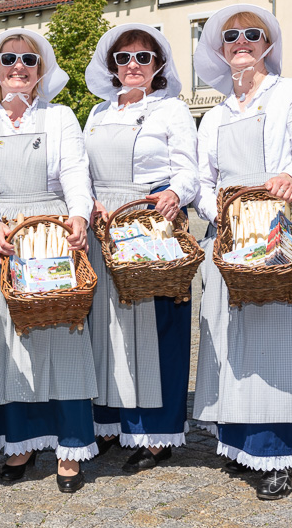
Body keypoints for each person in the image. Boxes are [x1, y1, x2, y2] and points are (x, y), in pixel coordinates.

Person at [191, 4, 292, 500]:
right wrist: (225, 215)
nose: (242, 42)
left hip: (284, 225)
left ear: (268, 43)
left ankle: (274, 451)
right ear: (220, 49)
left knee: (275, 336)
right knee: (229, 335)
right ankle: (238, 438)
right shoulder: (215, 115)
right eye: (231, 36)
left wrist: (289, 176)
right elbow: (203, 181)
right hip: (230, 232)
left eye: (253, 33)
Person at [0, 29, 97, 493]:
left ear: (41, 71)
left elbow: (75, 170)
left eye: (28, 60)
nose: (18, 67)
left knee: (62, 333)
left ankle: (70, 444)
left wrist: (78, 215)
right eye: (9, 59)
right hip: (4, 236)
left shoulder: (60, 116)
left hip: (52, 232)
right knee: (11, 339)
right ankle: (21, 440)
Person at [82, 24, 198, 472]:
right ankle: (111, 422)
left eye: (143, 57)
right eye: (123, 58)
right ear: (111, 66)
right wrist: (88, 203)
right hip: (104, 227)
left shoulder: (171, 110)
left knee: (154, 329)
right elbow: (81, 170)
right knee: (108, 327)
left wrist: (176, 193)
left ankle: (156, 433)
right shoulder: (96, 112)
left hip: (149, 223)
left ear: (158, 65)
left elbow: (189, 169)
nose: (133, 65)